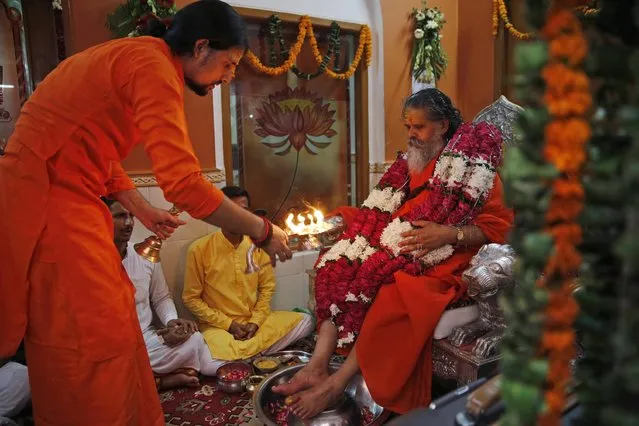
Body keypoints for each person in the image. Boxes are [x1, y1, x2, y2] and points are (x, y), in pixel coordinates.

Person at [0, 1, 292, 424]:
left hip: (69, 200)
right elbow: (184, 183)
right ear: (201, 47)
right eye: (228, 65)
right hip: (46, 200)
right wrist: (262, 230)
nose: (229, 77)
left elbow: (93, 147)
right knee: (91, 337)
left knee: (116, 321)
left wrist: (140, 206)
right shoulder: (150, 64)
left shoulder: (142, 59)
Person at [274, 89, 514, 418]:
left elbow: (501, 228)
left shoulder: (474, 169)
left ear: (443, 125)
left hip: (451, 256)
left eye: (419, 127)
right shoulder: (408, 164)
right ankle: (317, 365)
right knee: (335, 264)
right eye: (408, 127)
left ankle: (338, 384)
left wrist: (451, 233)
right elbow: (381, 214)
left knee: (391, 287)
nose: (411, 135)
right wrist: (340, 221)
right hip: (402, 243)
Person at [183, 186, 314, 363]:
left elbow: (267, 288)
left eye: (242, 212)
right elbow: (191, 298)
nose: (236, 217)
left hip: (255, 324)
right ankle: (256, 354)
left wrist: (256, 322)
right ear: (219, 214)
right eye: (231, 211)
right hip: (219, 328)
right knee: (207, 363)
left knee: (306, 321)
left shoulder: (258, 247)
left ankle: (245, 357)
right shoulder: (199, 249)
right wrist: (228, 325)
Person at [105, 197, 225, 389]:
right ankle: (162, 381)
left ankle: (154, 377)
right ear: (101, 218)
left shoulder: (143, 254)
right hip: (112, 345)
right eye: (120, 216)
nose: (128, 223)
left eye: (131, 216)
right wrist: (162, 338)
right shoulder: (91, 262)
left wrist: (171, 323)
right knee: (110, 366)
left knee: (194, 338)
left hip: (147, 341)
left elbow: (161, 297)